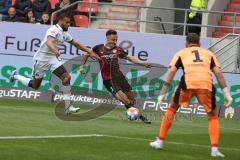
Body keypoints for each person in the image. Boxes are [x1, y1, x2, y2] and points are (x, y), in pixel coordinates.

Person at [150, 33, 233, 157]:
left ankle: (160, 141)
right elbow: (218, 73)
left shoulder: (181, 53)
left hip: (187, 84)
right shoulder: (209, 54)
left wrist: (163, 93)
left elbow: (172, 70)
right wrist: (226, 93)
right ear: (199, 44)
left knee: (172, 108)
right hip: (206, 85)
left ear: (186, 44)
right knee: (212, 116)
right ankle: (214, 150)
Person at [10, 13, 99, 114]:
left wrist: (89, 51)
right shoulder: (54, 29)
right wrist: (55, 50)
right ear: (60, 21)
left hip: (52, 59)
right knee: (35, 85)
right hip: (41, 60)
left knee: (66, 78)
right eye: (67, 22)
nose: (69, 24)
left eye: (70, 22)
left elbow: (76, 44)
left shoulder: (65, 33)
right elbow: (49, 42)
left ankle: (68, 107)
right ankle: (16, 75)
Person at [80, 29, 151, 124]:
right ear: (107, 38)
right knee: (125, 100)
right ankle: (140, 116)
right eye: (113, 39)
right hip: (108, 80)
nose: (115, 41)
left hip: (119, 77)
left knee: (131, 99)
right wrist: (82, 66)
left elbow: (130, 58)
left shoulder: (118, 49)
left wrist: (143, 63)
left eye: (116, 40)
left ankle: (134, 112)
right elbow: (86, 53)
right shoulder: (98, 48)